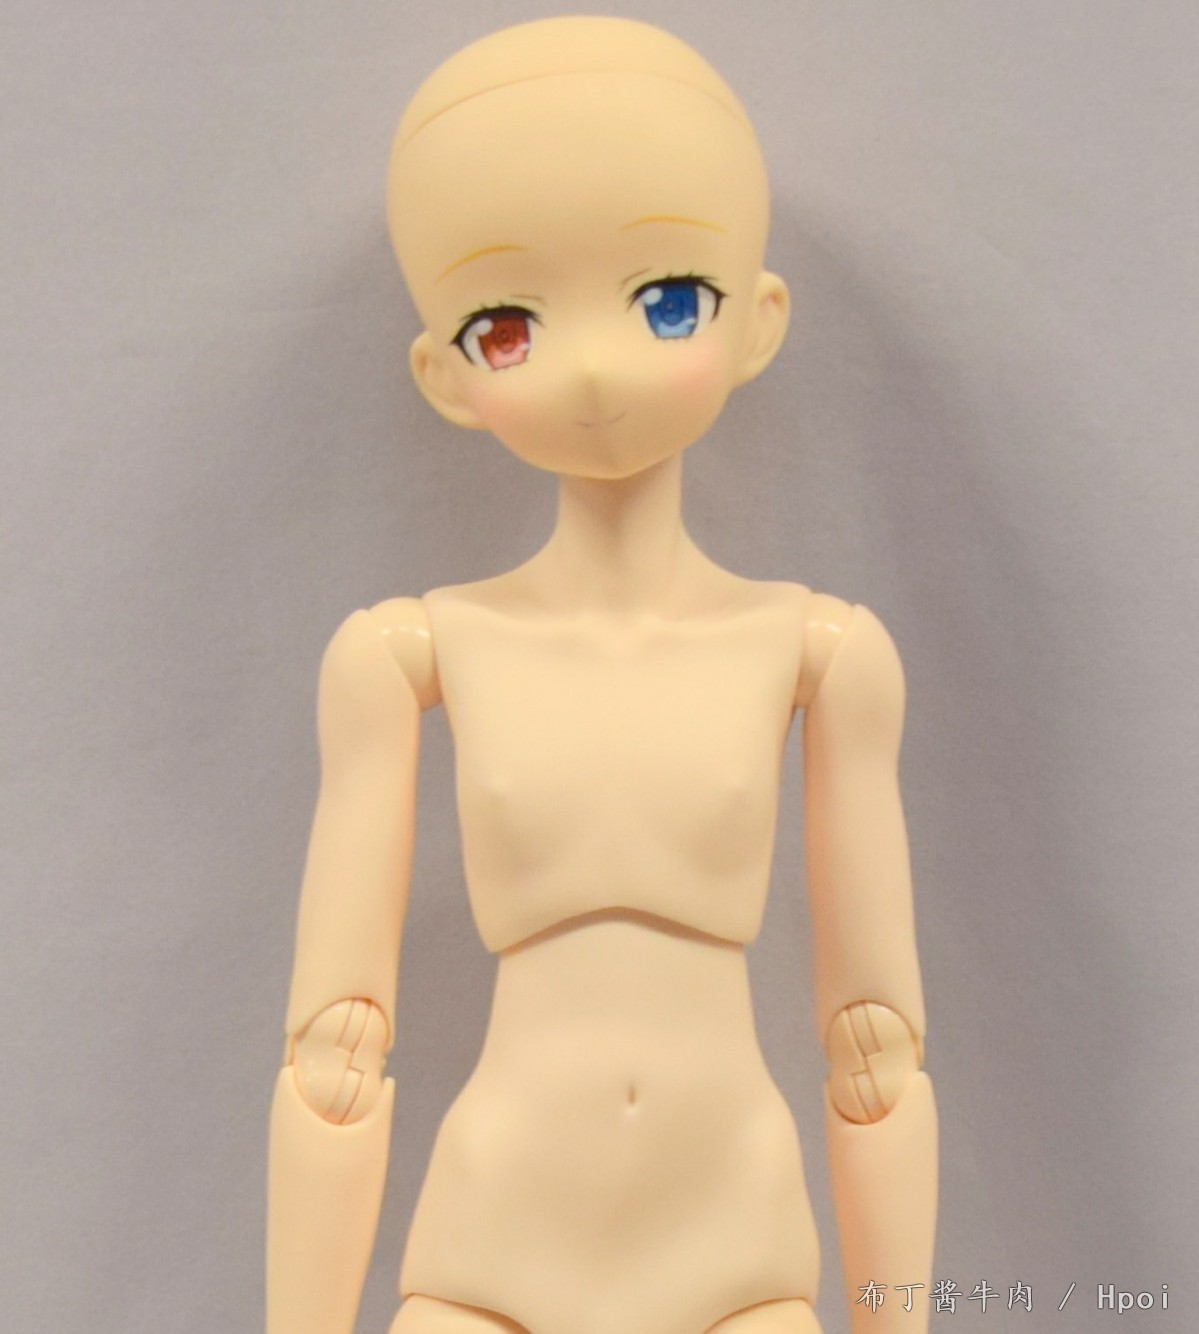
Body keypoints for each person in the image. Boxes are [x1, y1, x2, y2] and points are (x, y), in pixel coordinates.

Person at [267, 17, 937, 1334]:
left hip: (736, 1249)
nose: (589, 370)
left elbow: (877, 1054)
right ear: (442, 374)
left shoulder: (820, 653)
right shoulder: (406, 656)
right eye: (507, 326)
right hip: (492, 1245)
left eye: (668, 300)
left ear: (759, 322)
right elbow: (334, 1053)